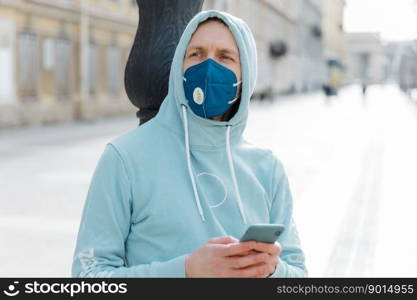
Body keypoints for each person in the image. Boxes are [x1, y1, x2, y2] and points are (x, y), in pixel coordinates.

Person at [71, 10, 307, 278]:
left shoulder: (267, 168)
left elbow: (298, 275)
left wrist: (271, 270)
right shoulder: (125, 157)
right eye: (196, 54)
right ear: (178, 67)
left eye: (225, 57)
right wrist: (186, 272)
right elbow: (87, 276)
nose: (207, 67)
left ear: (246, 75)